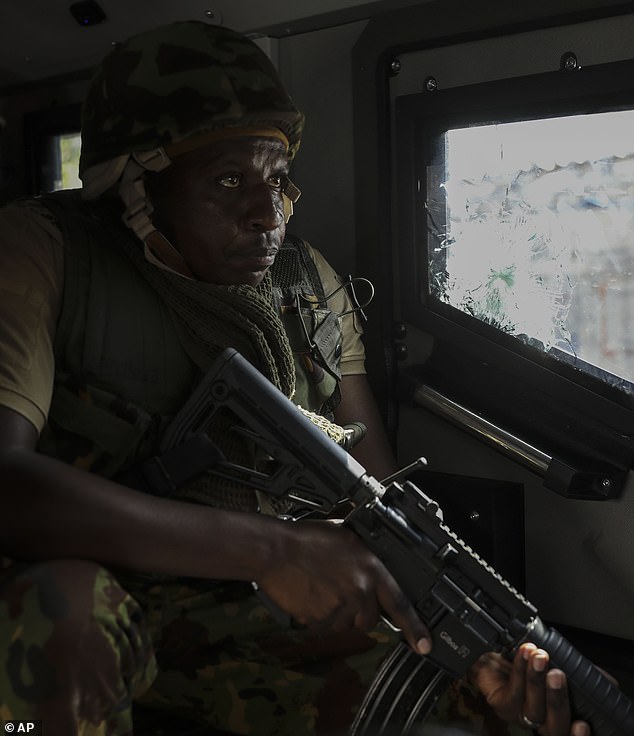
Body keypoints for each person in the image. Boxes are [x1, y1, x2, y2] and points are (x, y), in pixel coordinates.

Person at [0, 20, 592, 736]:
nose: (266, 212)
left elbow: (380, 497)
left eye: (277, 179)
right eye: (227, 180)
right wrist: (273, 548)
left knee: (500, 711)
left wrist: (468, 660)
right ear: (138, 185)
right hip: (104, 590)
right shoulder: (44, 253)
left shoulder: (310, 286)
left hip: (250, 605)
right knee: (62, 610)